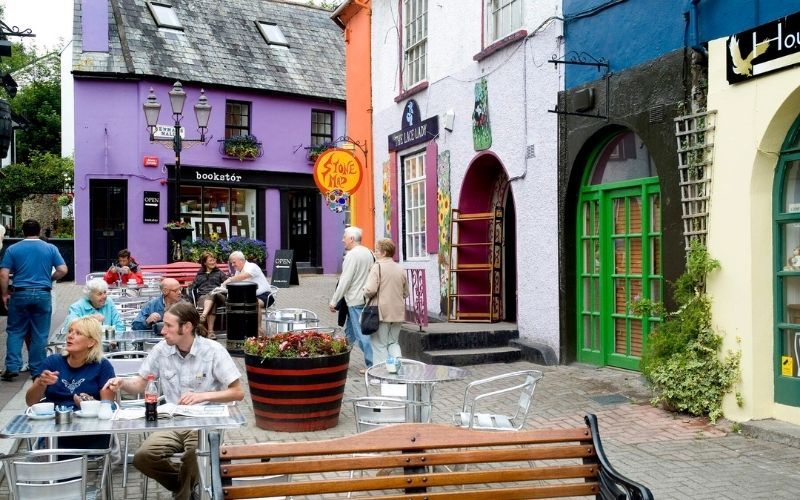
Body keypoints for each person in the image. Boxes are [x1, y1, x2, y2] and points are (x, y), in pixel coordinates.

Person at [103, 302, 244, 499]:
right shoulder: (162, 350)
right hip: (173, 421)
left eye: (168, 325)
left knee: (193, 456)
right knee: (142, 457)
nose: (162, 331)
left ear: (186, 327)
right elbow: (140, 384)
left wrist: (203, 396)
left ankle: (183, 494)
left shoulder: (213, 350)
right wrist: (122, 383)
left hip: (205, 424)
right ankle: (186, 489)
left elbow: (237, 392)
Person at [26, 316, 115, 449]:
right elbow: (30, 402)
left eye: (78, 333)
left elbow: (107, 407)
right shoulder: (52, 362)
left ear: (91, 342)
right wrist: (40, 383)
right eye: (70, 331)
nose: (70, 336)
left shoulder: (102, 366)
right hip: (55, 431)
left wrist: (88, 404)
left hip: (91, 432)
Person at [0, 219, 68, 380]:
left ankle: (12, 367)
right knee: (40, 333)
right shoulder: (50, 248)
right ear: (39, 231)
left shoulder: (13, 249)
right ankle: (37, 369)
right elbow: (63, 269)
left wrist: (4, 294)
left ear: (23, 231)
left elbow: (3, 274)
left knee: (15, 330)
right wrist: (50, 278)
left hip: (20, 293)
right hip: (43, 294)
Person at [328, 226, 374, 372]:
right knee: (349, 334)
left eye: (344, 237)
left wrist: (334, 301)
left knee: (362, 335)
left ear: (352, 239)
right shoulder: (369, 252)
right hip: (363, 298)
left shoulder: (351, 256)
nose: (342, 240)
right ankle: (340, 361)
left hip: (355, 300)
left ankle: (373, 365)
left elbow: (345, 280)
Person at [363, 238, 409, 365]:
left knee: (379, 345)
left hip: (380, 313)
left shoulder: (376, 267)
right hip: (398, 313)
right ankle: (398, 368)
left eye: (377, 250)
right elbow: (406, 293)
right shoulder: (400, 268)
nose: (375, 253)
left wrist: (364, 290)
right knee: (393, 342)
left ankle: (381, 374)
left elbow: (370, 290)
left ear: (383, 253)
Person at [223, 251, 273, 333]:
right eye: (231, 263)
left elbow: (243, 276)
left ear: (241, 260)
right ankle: (241, 329)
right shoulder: (238, 270)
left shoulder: (252, 266)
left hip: (265, 295)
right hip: (249, 296)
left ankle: (258, 328)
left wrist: (228, 280)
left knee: (254, 302)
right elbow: (236, 284)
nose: (232, 265)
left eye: (234, 262)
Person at [191, 251, 227, 340]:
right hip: (203, 297)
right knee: (211, 300)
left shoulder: (220, 273)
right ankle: (211, 332)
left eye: (214, 260)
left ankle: (202, 316)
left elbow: (227, 284)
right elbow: (193, 288)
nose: (213, 262)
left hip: (219, 296)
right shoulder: (199, 275)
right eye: (210, 260)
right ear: (204, 262)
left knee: (212, 294)